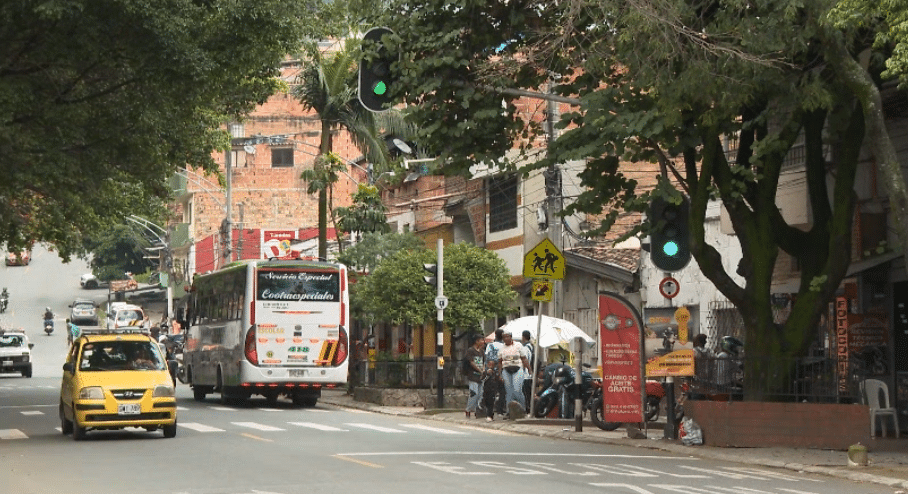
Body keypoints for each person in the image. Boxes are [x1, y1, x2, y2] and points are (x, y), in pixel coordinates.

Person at [497, 331, 530, 417]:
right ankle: (509, 412)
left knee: (517, 390)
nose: (506, 339)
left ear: (511, 337)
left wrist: (529, 369)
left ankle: (523, 409)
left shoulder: (518, 345)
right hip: (506, 370)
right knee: (509, 392)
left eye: (508, 337)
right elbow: (500, 362)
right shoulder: (502, 348)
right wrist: (499, 374)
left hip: (517, 369)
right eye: (504, 337)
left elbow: (524, 358)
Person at [463, 333, 486, 418]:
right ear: (476, 341)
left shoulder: (482, 351)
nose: (483, 342)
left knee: (480, 394)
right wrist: (479, 370)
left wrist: (483, 370)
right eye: (481, 340)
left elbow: (483, 361)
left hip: (480, 376)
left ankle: (478, 410)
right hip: (473, 375)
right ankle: (468, 409)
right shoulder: (470, 351)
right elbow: (471, 362)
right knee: (474, 393)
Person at [485, 329, 506, 416]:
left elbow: (487, 357)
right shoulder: (505, 346)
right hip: (503, 371)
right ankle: (500, 410)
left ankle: (490, 411)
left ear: (495, 335)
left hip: (492, 371)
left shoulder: (490, 345)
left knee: (491, 392)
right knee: (502, 391)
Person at [521, 330, 535, 413]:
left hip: (525, 375)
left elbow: (524, 360)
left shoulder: (525, 348)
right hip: (529, 375)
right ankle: (529, 409)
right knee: (528, 393)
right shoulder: (531, 347)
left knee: (526, 394)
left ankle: (528, 409)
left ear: (523, 337)